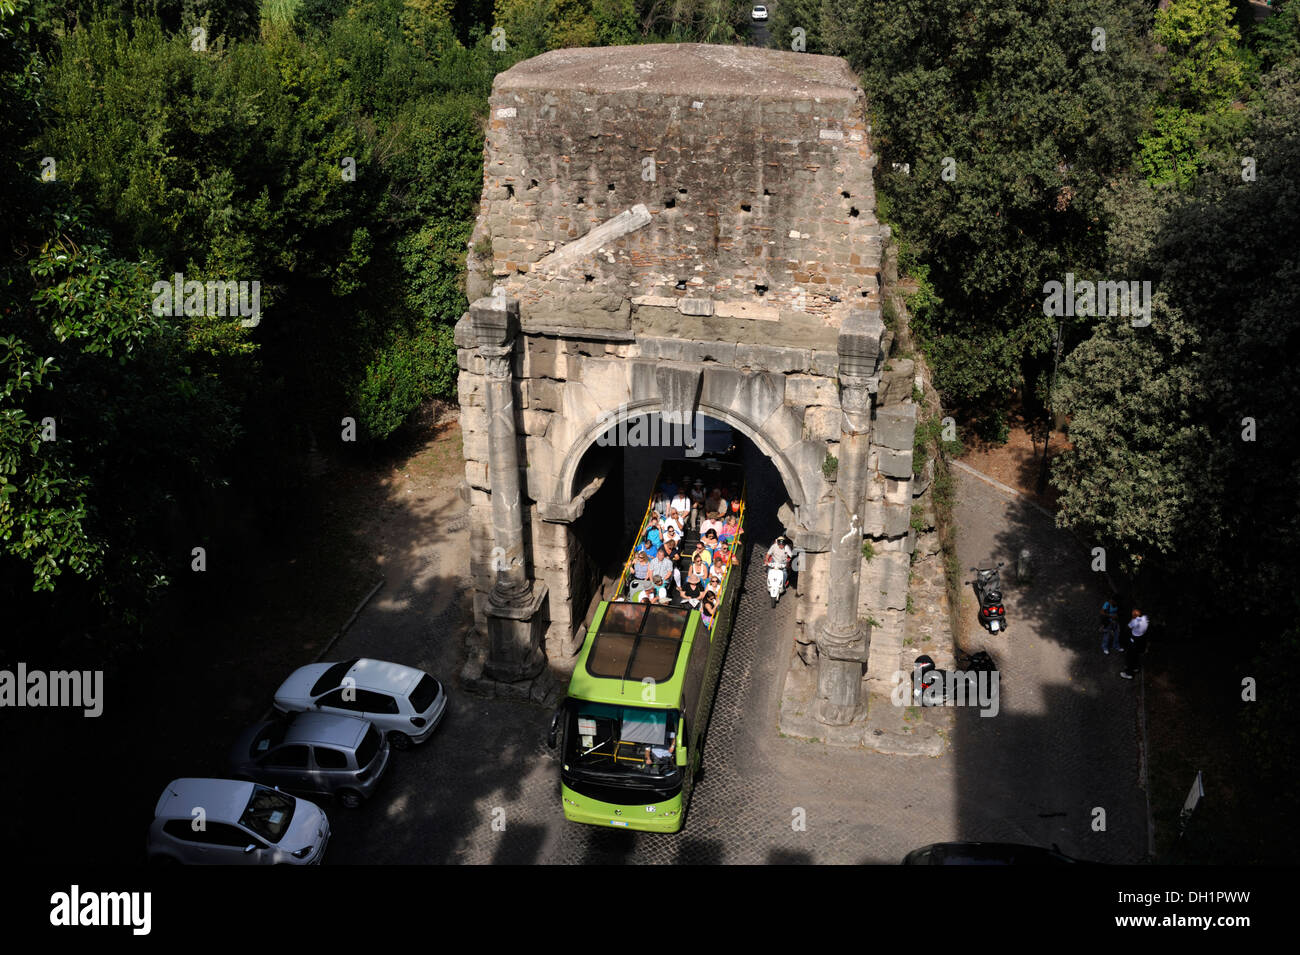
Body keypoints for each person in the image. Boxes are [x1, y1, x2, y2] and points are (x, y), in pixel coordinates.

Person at [1120, 608, 1150, 679]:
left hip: (1134, 639)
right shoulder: (1146, 618)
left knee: (1130, 656)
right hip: (1141, 639)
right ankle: (1135, 668)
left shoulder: (1135, 621)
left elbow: (1127, 627)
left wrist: (1132, 619)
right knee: (1136, 654)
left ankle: (1129, 673)